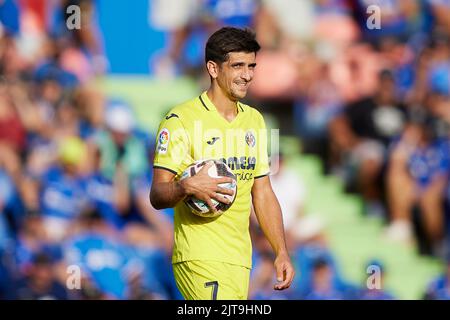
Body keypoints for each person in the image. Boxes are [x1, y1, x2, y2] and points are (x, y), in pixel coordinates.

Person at [150, 27, 295, 300]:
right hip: (198, 255)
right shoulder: (180, 120)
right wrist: (186, 187)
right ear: (213, 69)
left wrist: (281, 251)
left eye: (251, 66)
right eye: (238, 66)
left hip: (240, 260)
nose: (247, 75)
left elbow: (262, 192)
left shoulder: (255, 120)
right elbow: (157, 195)